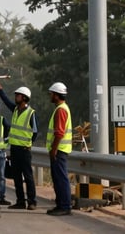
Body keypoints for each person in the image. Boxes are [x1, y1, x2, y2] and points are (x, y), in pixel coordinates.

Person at [0, 75, 38, 210]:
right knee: (16, 177)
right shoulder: (15, 110)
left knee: (28, 176)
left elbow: (35, 132)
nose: (15, 97)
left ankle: (32, 201)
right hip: (14, 149)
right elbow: (4, 99)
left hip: (24, 150)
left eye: (18, 95)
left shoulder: (31, 113)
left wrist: (29, 143)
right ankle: (20, 201)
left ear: (24, 97)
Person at [46, 82, 73, 216]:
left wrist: (54, 149)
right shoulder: (61, 108)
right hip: (60, 149)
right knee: (57, 178)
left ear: (56, 95)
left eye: (51, 94)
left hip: (59, 150)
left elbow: (59, 132)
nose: (50, 96)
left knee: (61, 179)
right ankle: (60, 204)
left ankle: (65, 206)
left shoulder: (61, 110)